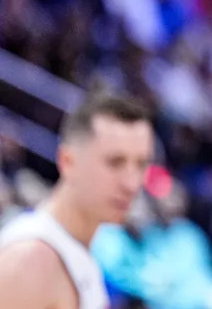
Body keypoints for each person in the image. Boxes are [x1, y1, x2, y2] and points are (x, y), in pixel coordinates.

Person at [0, 95, 155, 309]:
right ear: (68, 161)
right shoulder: (32, 261)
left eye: (140, 164)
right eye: (115, 162)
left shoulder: (76, 252)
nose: (131, 183)